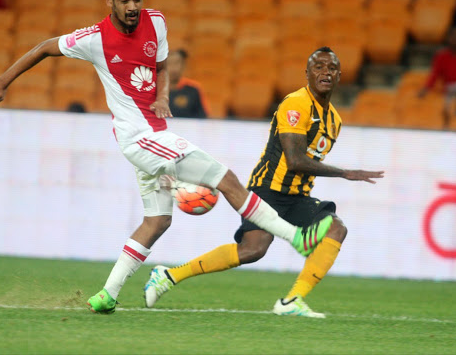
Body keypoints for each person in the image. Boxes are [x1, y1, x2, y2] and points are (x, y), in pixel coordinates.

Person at [0, 0, 327, 314]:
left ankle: (107, 294)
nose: (132, 6)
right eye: (124, 0)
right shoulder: (94, 39)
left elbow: (161, 67)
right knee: (226, 179)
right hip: (139, 138)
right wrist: (1, 82)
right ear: (110, 1)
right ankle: (295, 237)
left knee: (158, 220)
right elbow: (44, 48)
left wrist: (162, 97)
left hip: (154, 135)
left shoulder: (156, 22)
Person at [143, 47, 385, 318]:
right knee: (253, 250)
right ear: (307, 74)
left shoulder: (334, 120)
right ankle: (168, 275)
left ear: (339, 75)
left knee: (336, 229)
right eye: (319, 67)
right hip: (268, 189)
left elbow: (308, 162)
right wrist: (344, 173)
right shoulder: (296, 104)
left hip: (297, 196)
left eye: (332, 68)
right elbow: (294, 160)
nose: (325, 72)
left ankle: (292, 301)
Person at [418, 27, 456, 127]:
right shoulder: (441, 55)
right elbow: (434, 74)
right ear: (448, 38)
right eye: (453, 36)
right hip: (448, 91)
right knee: (444, 106)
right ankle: (446, 128)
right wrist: (426, 88)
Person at [168, 49, 209, 118]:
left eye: (176, 63)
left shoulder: (194, 88)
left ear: (183, 65)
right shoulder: (152, 88)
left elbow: (203, 117)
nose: (173, 68)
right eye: (169, 63)